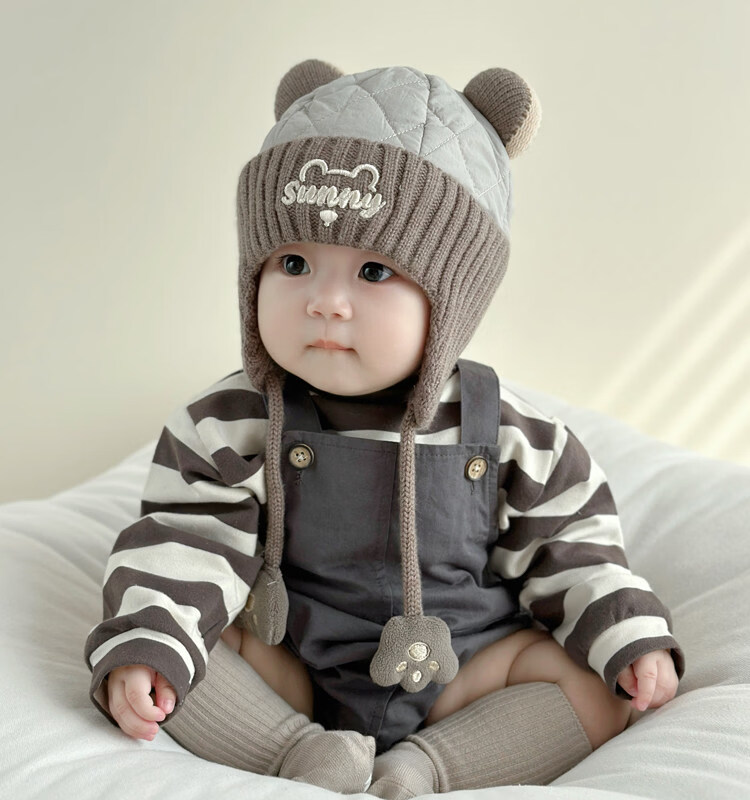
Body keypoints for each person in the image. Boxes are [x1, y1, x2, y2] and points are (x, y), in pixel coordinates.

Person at [84, 60, 684, 798]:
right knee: (170, 647)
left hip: (466, 676)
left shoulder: (512, 434)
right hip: (289, 666)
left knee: (599, 691)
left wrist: (627, 634)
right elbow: (187, 542)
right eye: (294, 262)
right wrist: (152, 639)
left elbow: (575, 553)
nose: (325, 302)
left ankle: (428, 767)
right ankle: (296, 753)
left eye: (373, 273)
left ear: (452, 302)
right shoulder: (230, 423)